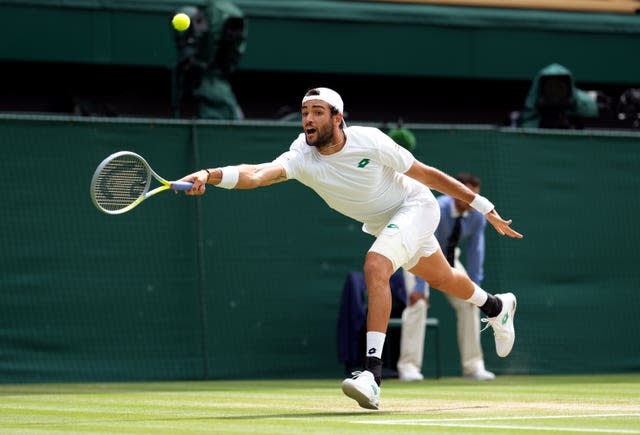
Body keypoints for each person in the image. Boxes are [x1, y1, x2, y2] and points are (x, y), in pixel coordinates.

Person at [178, 87, 523, 410]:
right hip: (382, 222)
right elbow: (255, 174)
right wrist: (211, 174)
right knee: (444, 278)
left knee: (376, 264)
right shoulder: (301, 154)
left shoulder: (369, 141)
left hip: (415, 206)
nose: (308, 120)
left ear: (338, 118)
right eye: (304, 113)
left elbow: (426, 174)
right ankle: (496, 305)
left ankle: (372, 374)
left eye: (317, 112)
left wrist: (482, 205)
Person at [395, 172, 497, 382]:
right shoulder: (438, 209)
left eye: (474, 195)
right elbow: (423, 243)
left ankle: (473, 366)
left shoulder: (477, 216)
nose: (471, 200)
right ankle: (409, 367)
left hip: (449, 259)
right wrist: (420, 287)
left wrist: (474, 287)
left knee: (470, 303)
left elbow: (476, 251)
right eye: (467, 194)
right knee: (418, 304)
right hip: (417, 255)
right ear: (455, 192)